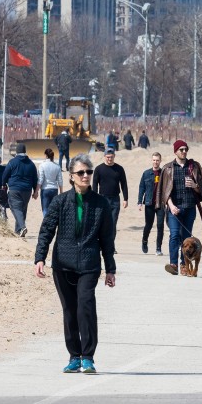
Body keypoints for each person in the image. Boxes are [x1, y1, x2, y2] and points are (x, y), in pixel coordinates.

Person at [35, 153, 116, 375]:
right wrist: (39, 258)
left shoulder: (101, 204)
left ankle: (88, 357)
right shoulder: (60, 202)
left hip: (89, 264)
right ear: (71, 176)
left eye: (88, 172)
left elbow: (108, 239)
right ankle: (74, 356)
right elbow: (47, 230)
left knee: (85, 308)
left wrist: (110, 269)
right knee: (70, 311)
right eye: (80, 172)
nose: (85, 176)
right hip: (62, 264)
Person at [157, 139, 202, 276]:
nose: (184, 152)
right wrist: (171, 205)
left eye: (186, 149)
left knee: (186, 238)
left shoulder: (194, 166)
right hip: (174, 208)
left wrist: (195, 185)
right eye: (181, 149)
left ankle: (183, 265)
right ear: (175, 151)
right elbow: (163, 190)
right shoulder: (168, 168)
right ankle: (173, 264)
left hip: (190, 207)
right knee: (174, 235)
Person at [92, 147, 128, 243]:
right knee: (101, 222)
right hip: (102, 199)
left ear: (114, 156)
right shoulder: (99, 169)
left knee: (112, 223)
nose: (109, 159)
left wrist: (126, 198)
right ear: (104, 156)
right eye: (108, 157)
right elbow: (95, 184)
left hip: (115, 199)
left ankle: (110, 245)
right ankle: (100, 243)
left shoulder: (119, 169)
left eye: (111, 157)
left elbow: (124, 184)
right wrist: (94, 197)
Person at [3, 142, 39, 237]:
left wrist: (3, 184)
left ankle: (22, 227)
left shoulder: (12, 162)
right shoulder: (31, 164)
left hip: (14, 189)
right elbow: (35, 178)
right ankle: (18, 231)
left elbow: (5, 174)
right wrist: (35, 191)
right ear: (25, 151)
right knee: (23, 209)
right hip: (27, 190)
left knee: (15, 207)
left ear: (17, 151)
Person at [137, 152, 164, 255]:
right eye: (154, 160)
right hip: (149, 203)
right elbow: (141, 188)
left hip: (160, 204)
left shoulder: (164, 173)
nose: (155, 162)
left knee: (160, 226)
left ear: (160, 161)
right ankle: (144, 241)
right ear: (151, 160)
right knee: (148, 225)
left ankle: (158, 248)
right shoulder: (146, 173)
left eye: (157, 160)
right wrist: (140, 202)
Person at [38, 147, 63, 215]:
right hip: (54, 189)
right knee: (53, 210)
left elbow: (40, 179)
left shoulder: (42, 165)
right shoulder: (57, 166)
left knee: (45, 209)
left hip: (45, 189)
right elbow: (60, 180)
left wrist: (36, 191)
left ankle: (46, 224)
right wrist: (61, 192)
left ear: (46, 155)